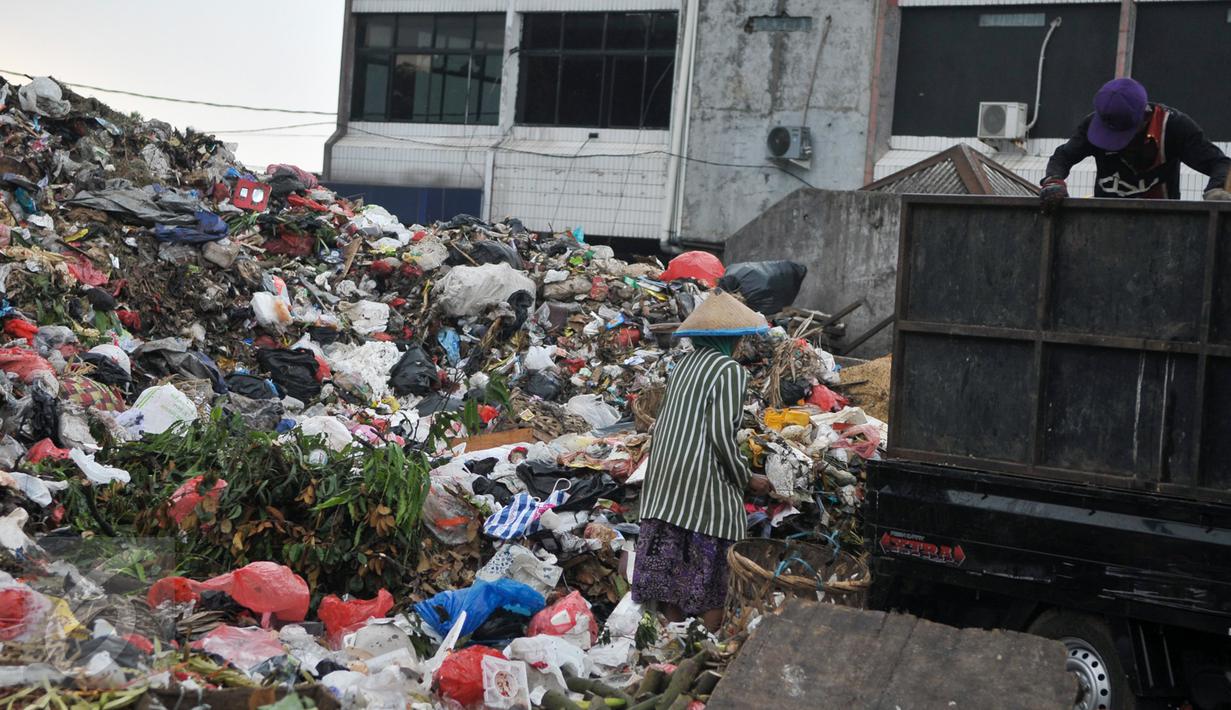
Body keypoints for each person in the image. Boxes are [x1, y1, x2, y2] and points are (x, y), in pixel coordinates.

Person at [632, 291, 773, 633]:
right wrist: (746, 477)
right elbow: (721, 436)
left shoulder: (682, 366)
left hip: (664, 474)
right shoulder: (729, 371)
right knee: (715, 564)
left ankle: (674, 634)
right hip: (699, 477)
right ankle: (709, 639)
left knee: (674, 565)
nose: (740, 344)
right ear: (730, 339)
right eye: (739, 339)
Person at [1041, 77, 1231, 210]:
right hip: (1105, 222)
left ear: (1144, 119)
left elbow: (1220, 163)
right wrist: (1053, 181)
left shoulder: (1173, 127)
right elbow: (1063, 156)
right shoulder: (1093, 125)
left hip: (1163, 226)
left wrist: (1217, 190)